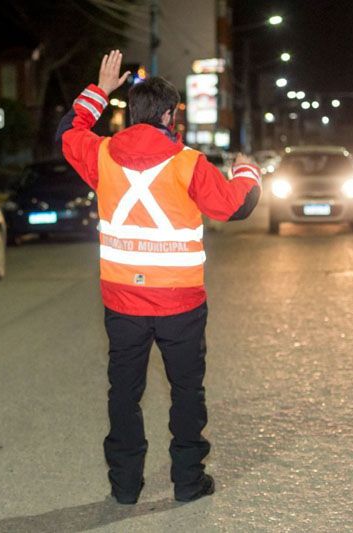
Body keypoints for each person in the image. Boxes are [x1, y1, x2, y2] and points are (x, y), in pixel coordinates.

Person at [58, 50, 261, 504]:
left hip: (122, 303)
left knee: (124, 393)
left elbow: (66, 135)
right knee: (187, 392)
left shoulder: (104, 155)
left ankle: (125, 487)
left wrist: (99, 90)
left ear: (134, 113)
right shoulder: (189, 164)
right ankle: (189, 481)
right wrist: (247, 171)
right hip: (181, 306)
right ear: (169, 115)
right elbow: (237, 205)